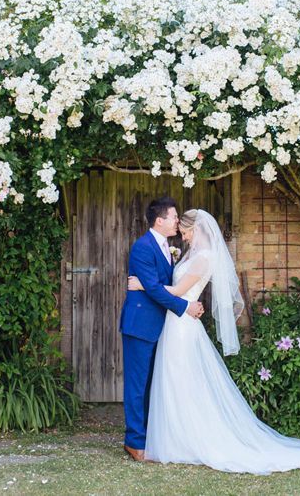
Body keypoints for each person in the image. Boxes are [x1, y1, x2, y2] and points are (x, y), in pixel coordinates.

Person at [127, 208, 300, 474]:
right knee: (174, 380)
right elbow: (178, 288)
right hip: (175, 323)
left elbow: (179, 290)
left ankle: (187, 439)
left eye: (182, 226)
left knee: (181, 379)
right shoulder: (189, 254)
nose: (179, 230)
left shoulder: (204, 258)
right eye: (176, 223)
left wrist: (143, 285)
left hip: (182, 327)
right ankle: (173, 437)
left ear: (194, 228)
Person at [119, 197, 204, 462]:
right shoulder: (143, 247)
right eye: (174, 217)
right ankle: (134, 443)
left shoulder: (168, 247)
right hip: (141, 325)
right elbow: (154, 288)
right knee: (137, 385)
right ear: (160, 220)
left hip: (161, 326)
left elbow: (157, 285)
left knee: (151, 385)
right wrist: (185, 307)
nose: (177, 221)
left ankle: (150, 437)